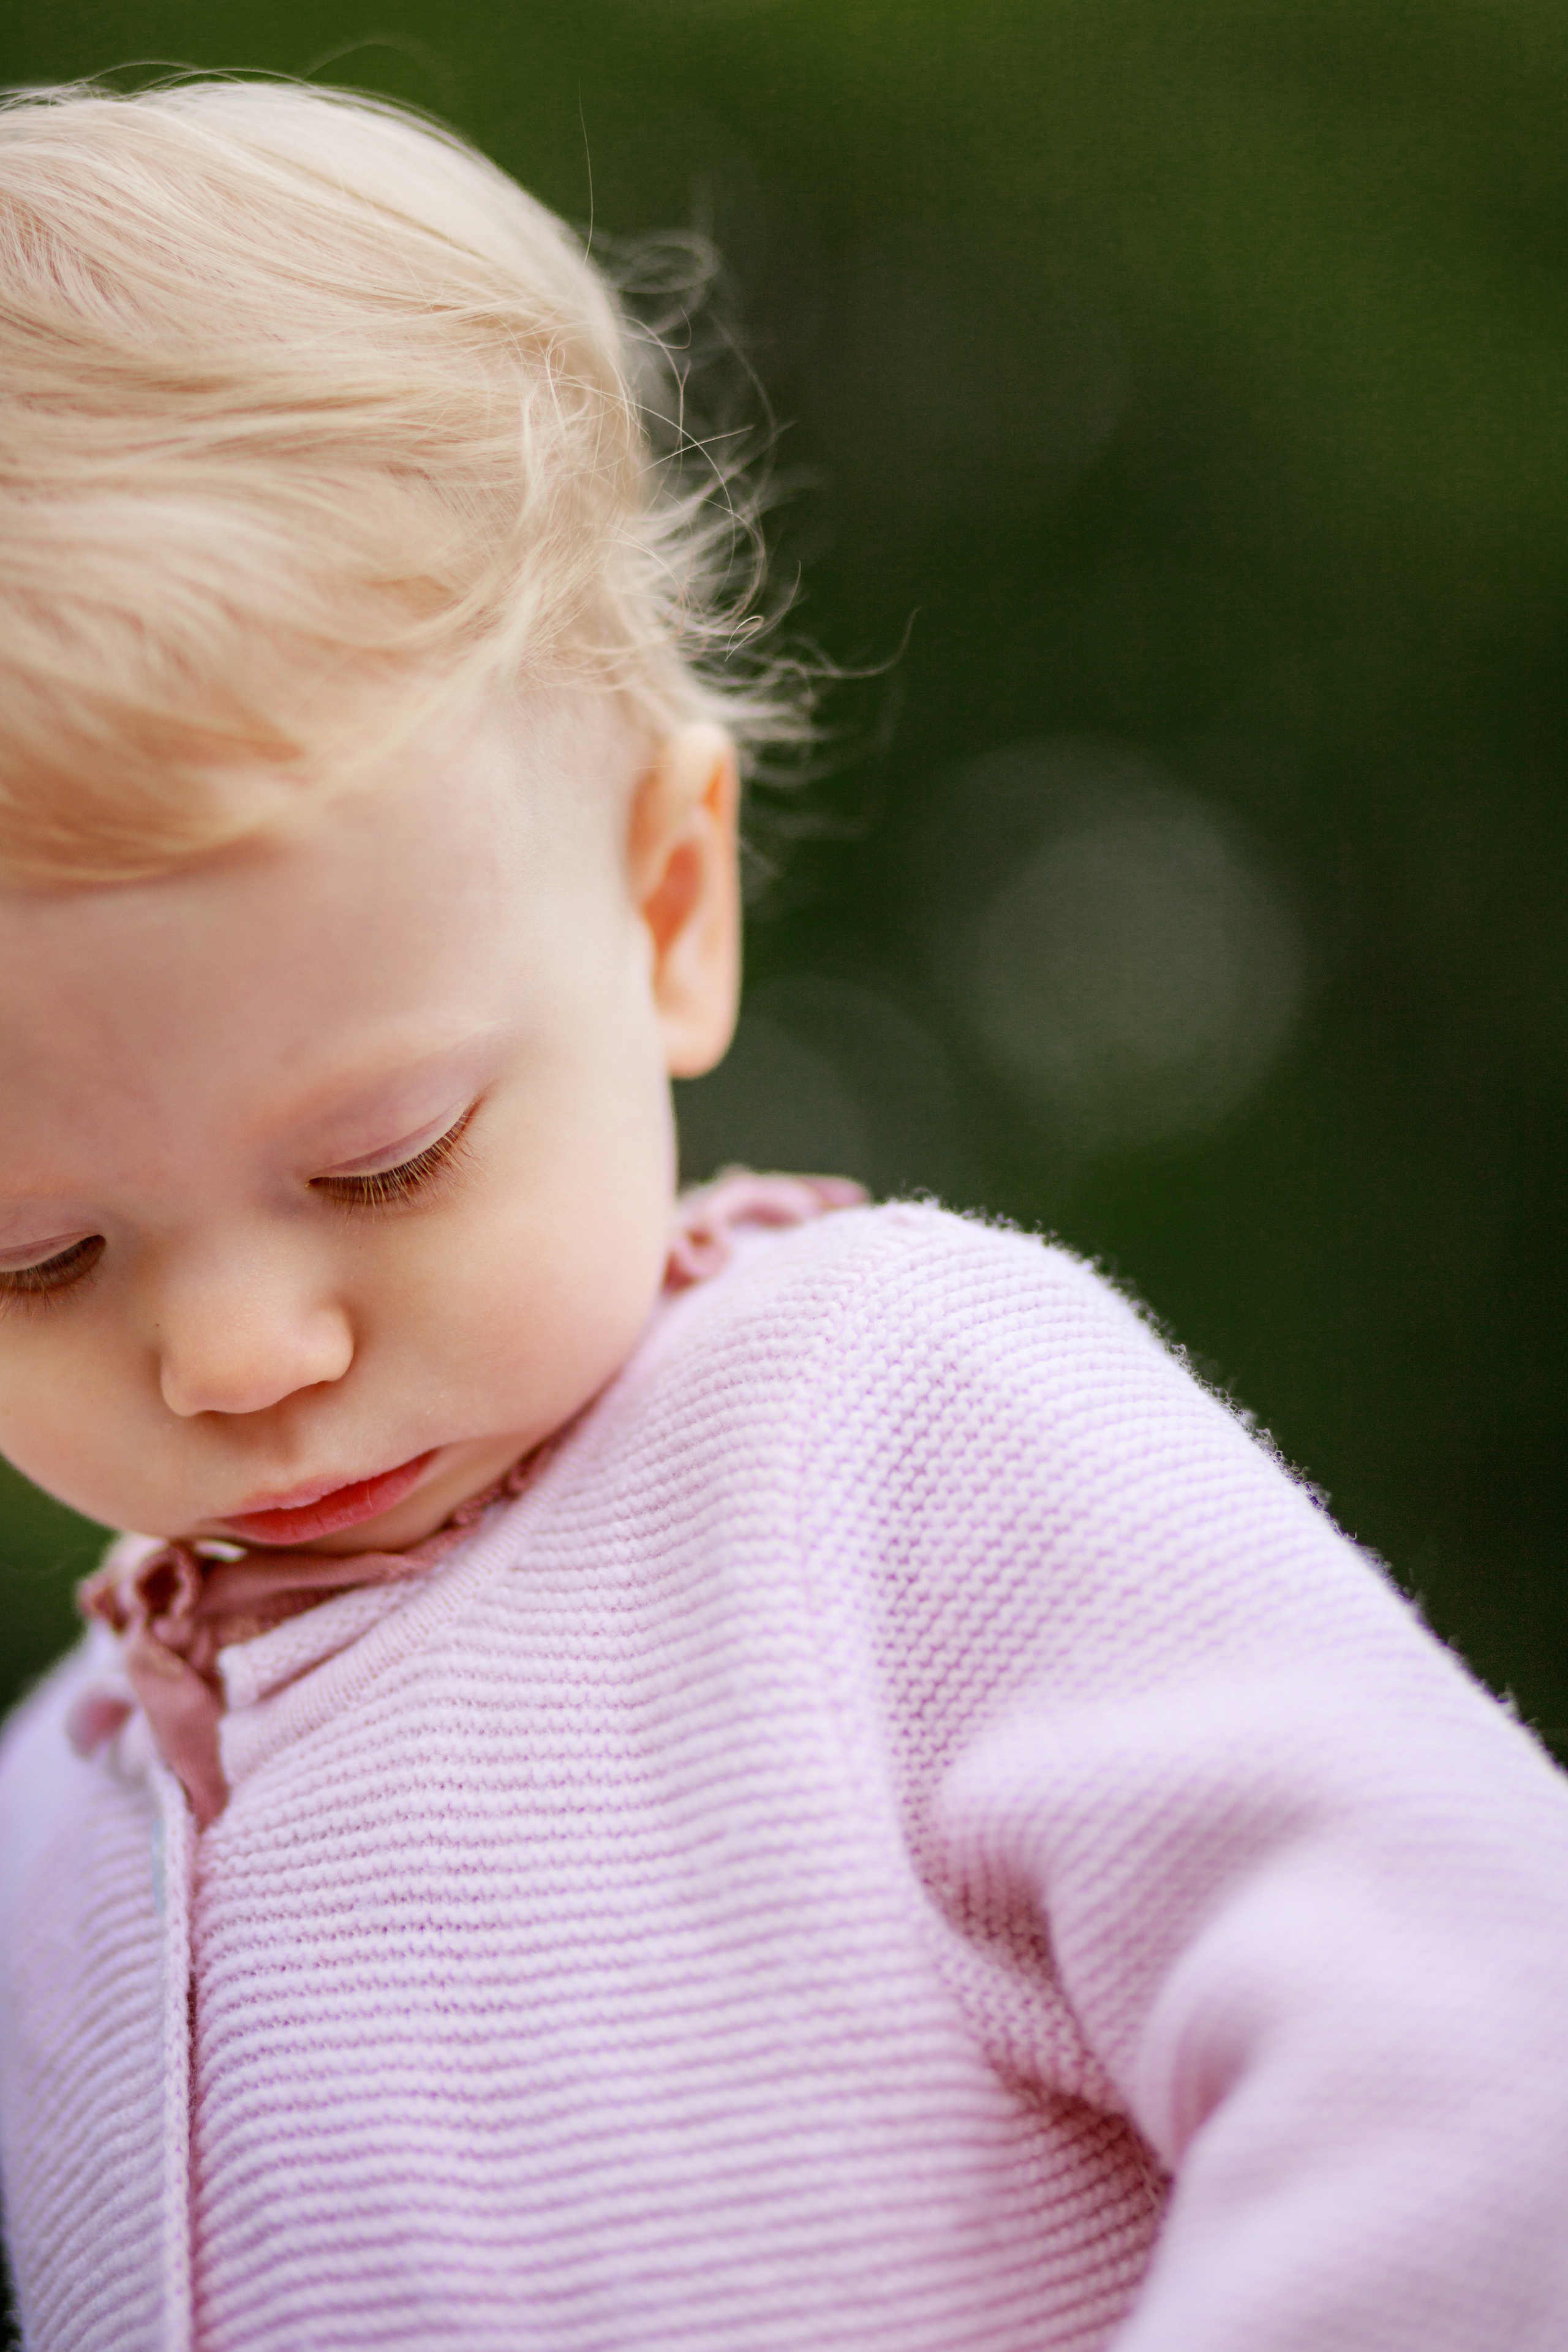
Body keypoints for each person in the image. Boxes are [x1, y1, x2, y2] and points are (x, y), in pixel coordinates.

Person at [0, 75, 1563, 2352]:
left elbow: (1480, 2048)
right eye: (34, 1256)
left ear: (667, 908)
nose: (239, 1354)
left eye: (384, 1160)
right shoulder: (62, 1823)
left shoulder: (894, 1433)